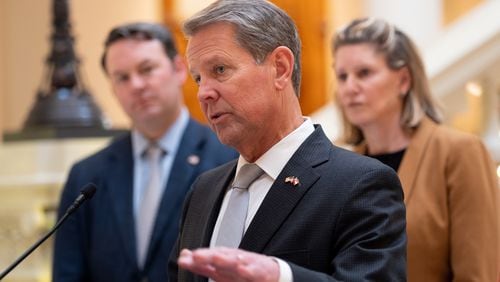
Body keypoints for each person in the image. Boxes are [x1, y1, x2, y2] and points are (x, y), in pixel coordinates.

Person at [168, 1, 406, 281]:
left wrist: (279, 276)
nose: (203, 93)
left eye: (219, 70)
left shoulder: (361, 185)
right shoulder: (203, 190)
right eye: (198, 78)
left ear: (280, 68)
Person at [52, 22, 238, 282]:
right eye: (122, 78)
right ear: (113, 89)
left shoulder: (229, 158)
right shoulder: (87, 176)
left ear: (178, 70)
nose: (136, 85)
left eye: (147, 69)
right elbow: (67, 274)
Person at [332, 17, 499, 282]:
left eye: (364, 73)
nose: (349, 88)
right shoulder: (343, 167)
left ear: (404, 81)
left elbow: (479, 273)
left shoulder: (459, 152)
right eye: (342, 76)